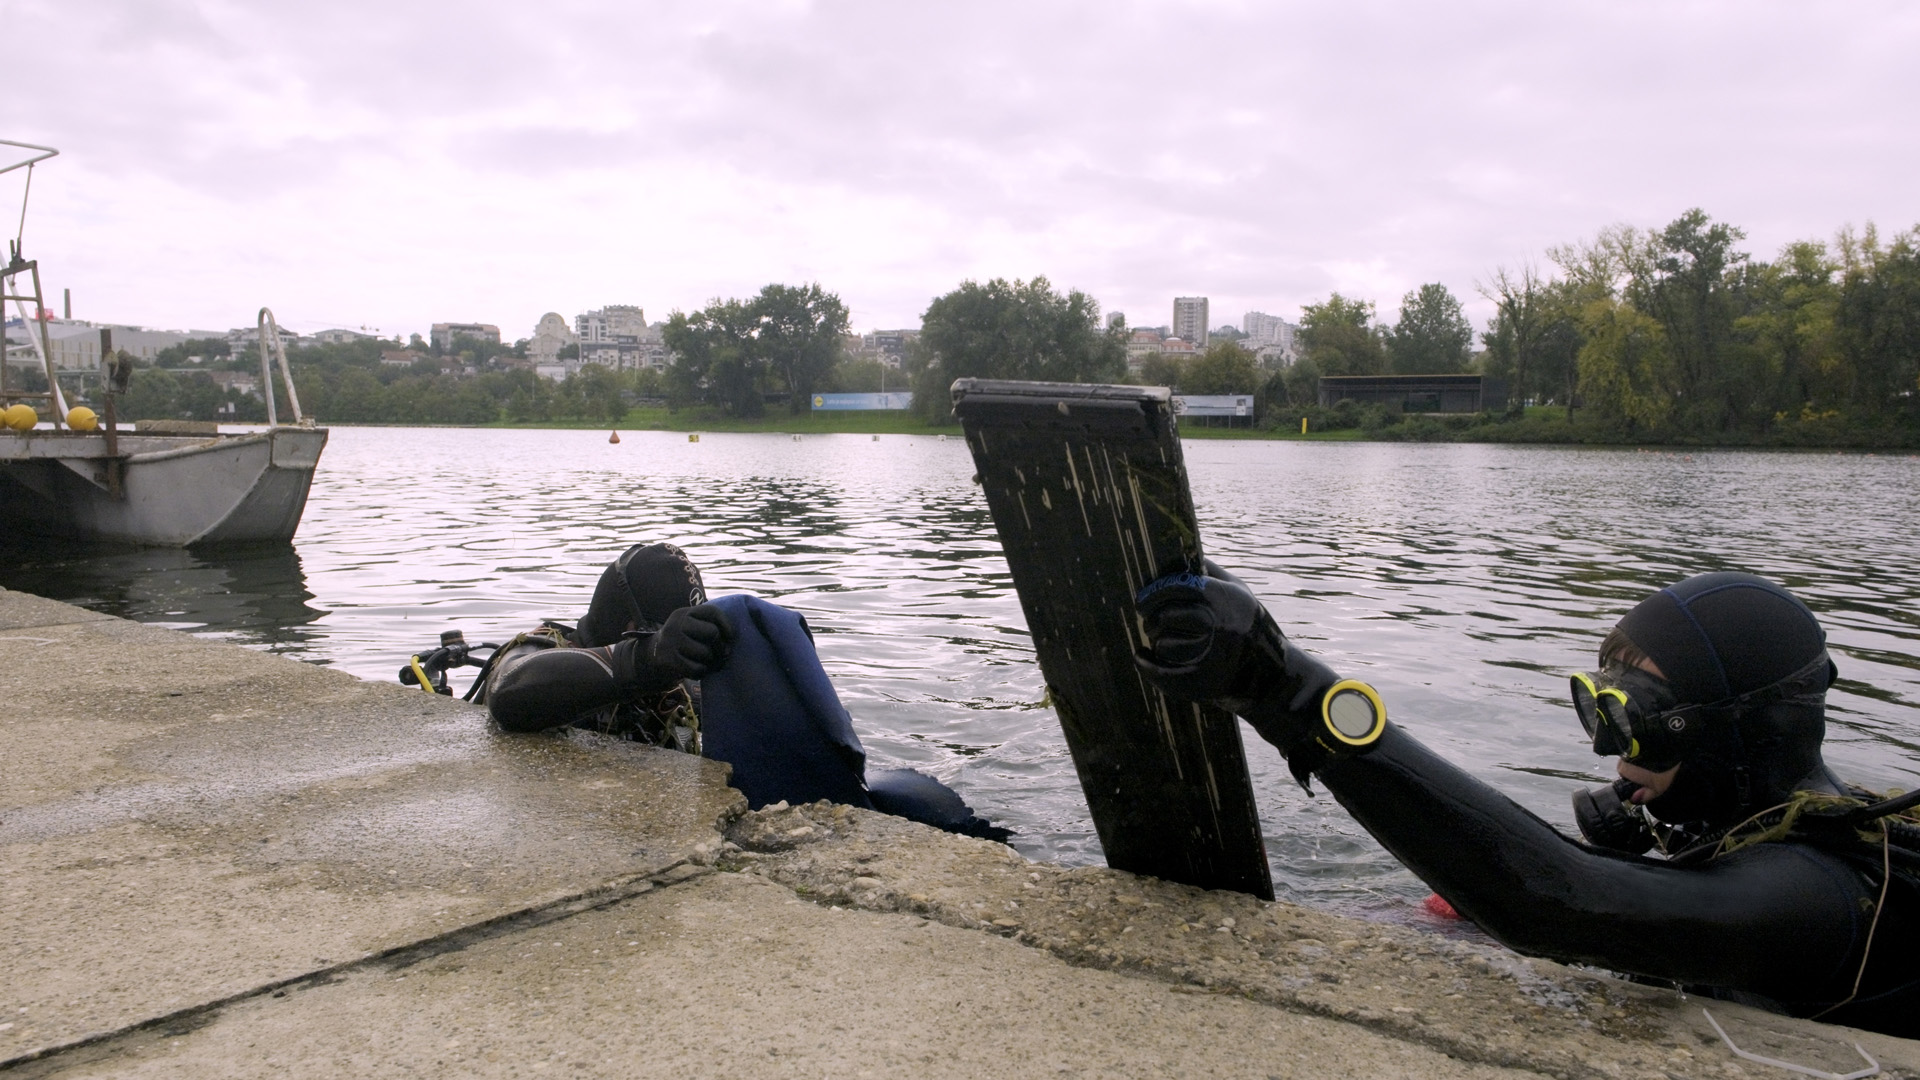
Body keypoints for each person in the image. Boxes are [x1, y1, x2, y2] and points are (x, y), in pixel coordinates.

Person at [1133, 567, 1919, 1037]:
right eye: (1596, 709)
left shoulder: (1818, 894)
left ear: (1731, 734)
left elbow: (1559, 902)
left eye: (1631, 722)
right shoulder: (1754, 834)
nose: (1605, 751)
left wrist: (1286, 689)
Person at [478, 541, 1006, 841]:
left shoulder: (683, 692)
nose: (676, 666)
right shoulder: (538, 652)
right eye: (659, 638)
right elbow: (510, 692)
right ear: (623, 629)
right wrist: (646, 657)